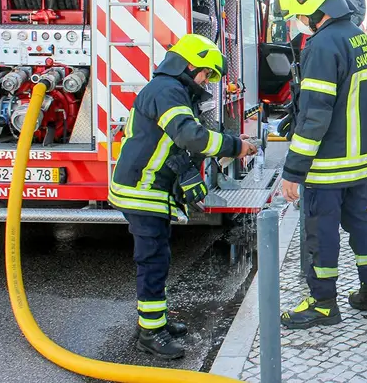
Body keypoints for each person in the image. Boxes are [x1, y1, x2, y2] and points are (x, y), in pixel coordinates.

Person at [109, 34, 258, 359]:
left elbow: (174, 145)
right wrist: (235, 146)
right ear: (190, 63)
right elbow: (189, 136)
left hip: (148, 189)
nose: (205, 80)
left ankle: (153, 322)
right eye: (205, 73)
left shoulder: (171, 90)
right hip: (141, 190)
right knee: (153, 261)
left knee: (157, 257)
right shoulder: (167, 91)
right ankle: (150, 334)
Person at [276, 0, 367, 329]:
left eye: (298, 15)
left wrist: (293, 172)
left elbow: (316, 117)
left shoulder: (322, 46)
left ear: (311, 9)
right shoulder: (358, 36)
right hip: (359, 161)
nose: (298, 22)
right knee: (360, 223)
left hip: (329, 165)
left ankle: (323, 304)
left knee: (321, 234)